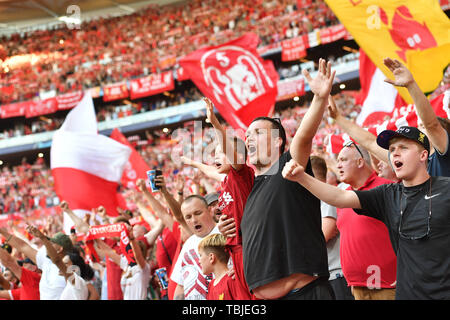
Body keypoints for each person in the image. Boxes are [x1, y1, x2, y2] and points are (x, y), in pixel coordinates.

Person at [282, 126, 450, 299]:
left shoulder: (446, 189)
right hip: (406, 294)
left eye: (403, 148)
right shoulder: (388, 194)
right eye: (392, 149)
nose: (395, 153)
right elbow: (339, 196)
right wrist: (302, 177)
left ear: (423, 155)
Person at [232, 58, 336, 300]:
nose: (249, 139)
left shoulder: (288, 168)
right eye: (247, 135)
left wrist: (319, 99)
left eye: (257, 133)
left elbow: (304, 137)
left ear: (278, 141)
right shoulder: (253, 190)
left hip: (305, 293)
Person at [326, 58, 450, 177]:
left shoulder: (443, 157)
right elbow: (370, 142)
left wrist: (411, 85)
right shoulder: (411, 166)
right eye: (418, 126)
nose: (419, 129)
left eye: (422, 126)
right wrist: (338, 117)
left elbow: (431, 124)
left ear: (443, 134)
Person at [333, 141, 397, 299]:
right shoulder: (342, 198)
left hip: (388, 285)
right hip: (357, 287)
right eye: (337, 161)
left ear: (360, 161)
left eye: (343, 160)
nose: (338, 166)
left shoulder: (388, 188)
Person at [310, 155, 353, 300]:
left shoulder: (326, 197)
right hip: (326, 275)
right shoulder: (314, 201)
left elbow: (322, 237)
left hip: (337, 275)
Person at [26, 225, 99, 300]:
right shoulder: (73, 284)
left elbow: (57, 260)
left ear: (74, 268)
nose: (61, 266)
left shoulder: (77, 281)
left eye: (66, 264)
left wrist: (43, 238)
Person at [0, 227, 71, 300]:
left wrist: (43, 238)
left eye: (52, 244)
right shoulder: (46, 261)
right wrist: (2, 231)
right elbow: (23, 246)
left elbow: (9, 262)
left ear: (60, 249)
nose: (48, 246)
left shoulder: (70, 272)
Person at [170, 195, 219, 300]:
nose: (194, 220)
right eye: (188, 217)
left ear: (210, 211)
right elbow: (180, 285)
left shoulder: (224, 232)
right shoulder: (188, 244)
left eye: (198, 213)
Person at [198, 233, 239, 300]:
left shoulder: (231, 280)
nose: (199, 261)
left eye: (200, 255)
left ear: (211, 257)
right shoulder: (211, 284)